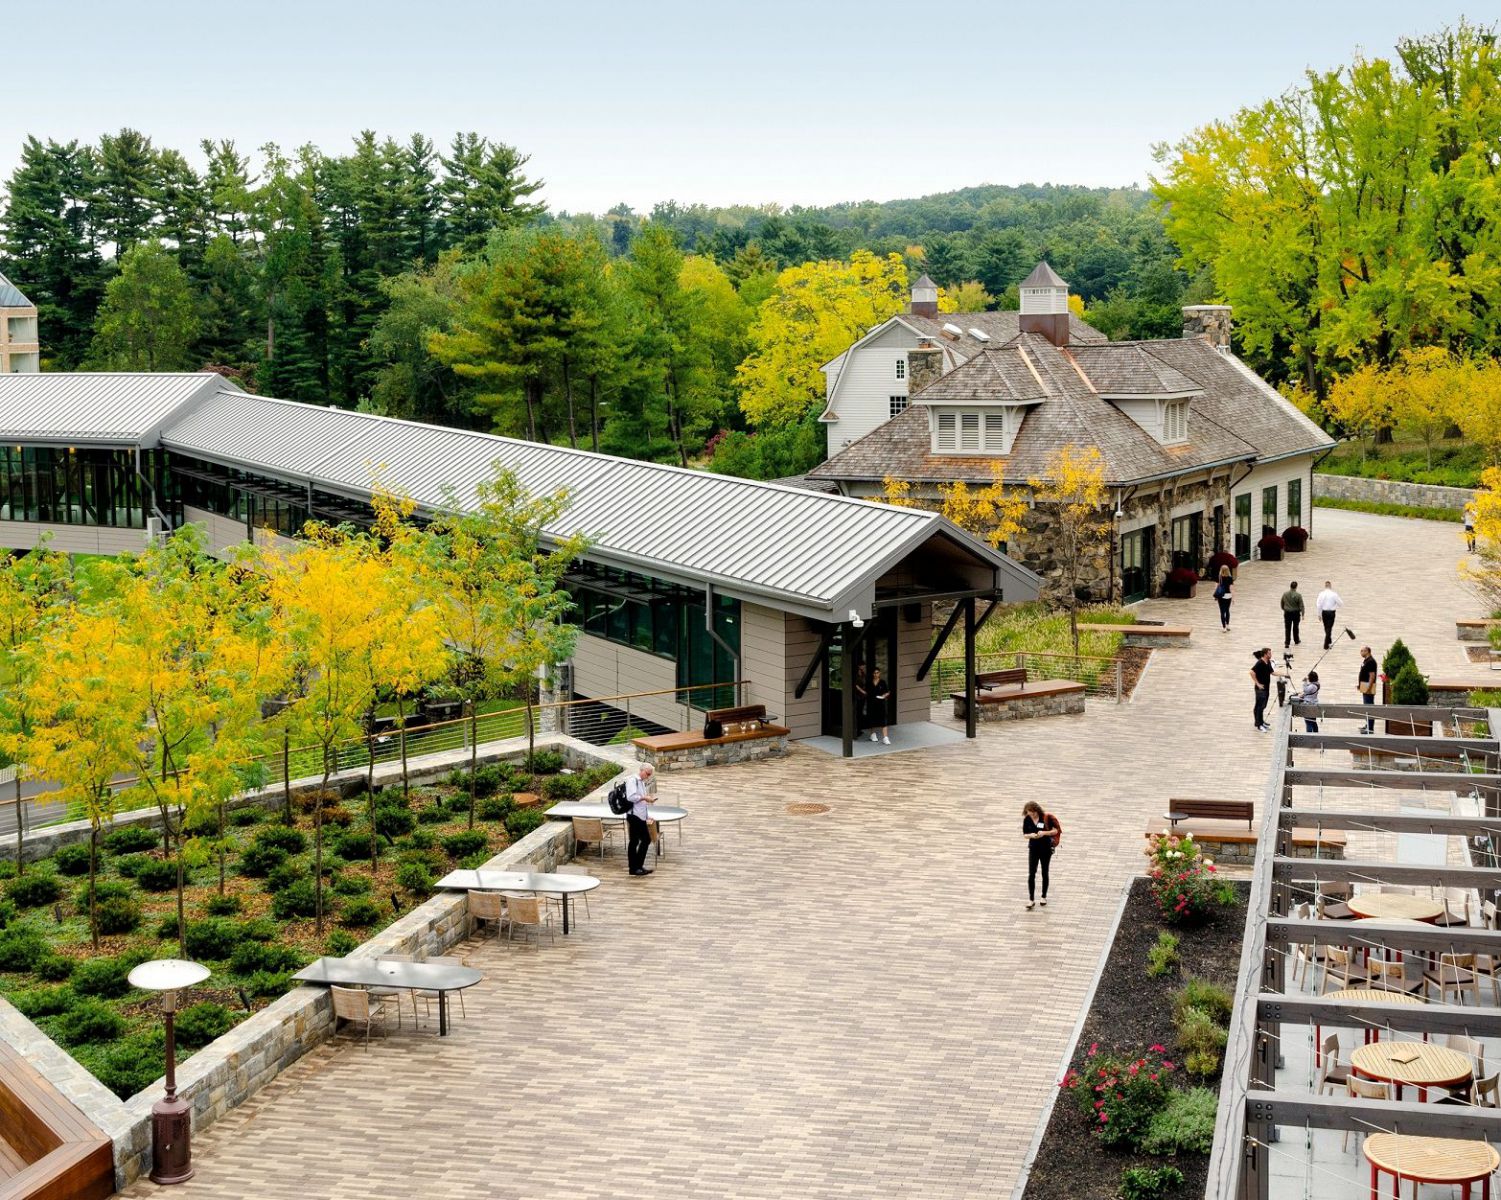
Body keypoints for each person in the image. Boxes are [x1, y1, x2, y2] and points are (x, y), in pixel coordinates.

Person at [1022, 801, 1059, 910]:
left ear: (1037, 810)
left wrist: (1044, 833)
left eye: (1033, 813)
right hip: (1033, 849)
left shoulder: (1045, 817)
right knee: (1031, 873)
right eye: (1029, 813)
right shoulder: (1027, 819)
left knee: (1044, 872)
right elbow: (1024, 834)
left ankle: (1043, 896)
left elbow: (1055, 831)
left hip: (1045, 849)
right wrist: (1031, 835)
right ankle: (1031, 899)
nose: (1032, 815)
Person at [625, 763, 656, 876]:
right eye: (647, 774)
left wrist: (647, 816)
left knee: (635, 841)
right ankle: (636, 867)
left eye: (649, 775)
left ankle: (635, 868)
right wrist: (644, 797)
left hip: (640, 815)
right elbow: (631, 797)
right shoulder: (633, 780)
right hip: (634, 816)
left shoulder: (641, 782)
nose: (648, 776)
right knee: (645, 840)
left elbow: (642, 803)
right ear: (642, 771)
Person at [1250, 647, 1274, 732]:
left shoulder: (1268, 662)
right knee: (1259, 707)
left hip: (1266, 688)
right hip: (1260, 689)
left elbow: (1272, 672)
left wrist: (1284, 674)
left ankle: (1261, 721)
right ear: (1265, 654)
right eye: (1269, 653)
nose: (1271, 655)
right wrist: (1257, 683)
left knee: (1263, 706)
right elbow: (1252, 672)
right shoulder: (1260, 663)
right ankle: (1259, 725)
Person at [1357, 646, 1379, 734]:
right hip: (1364, 686)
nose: (1361, 652)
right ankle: (1367, 725)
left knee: (1369, 707)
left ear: (1367, 651)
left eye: (1362, 651)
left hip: (1368, 688)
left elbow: (1372, 676)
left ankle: (1370, 729)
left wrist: (1368, 688)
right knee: (1366, 707)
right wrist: (1360, 685)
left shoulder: (1371, 662)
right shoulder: (1366, 660)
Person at [1315, 581, 1343, 650]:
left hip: (1324, 612)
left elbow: (1318, 605)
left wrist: (1319, 614)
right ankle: (1326, 644)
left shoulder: (1321, 594)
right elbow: (1341, 603)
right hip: (1331, 613)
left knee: (1326, 627)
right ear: (1330, 586)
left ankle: (1328, 641)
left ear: (1325, 586)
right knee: (1329, 628)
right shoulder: (1334, 594)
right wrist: (1334, 605)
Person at [867, 667, 891, 744]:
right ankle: (872, 734)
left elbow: (887, 692)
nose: (876, 674)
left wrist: (884, 695)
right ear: (872, 674)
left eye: (877, 673)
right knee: (872, 719)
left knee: (883, 720)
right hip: (872, 703)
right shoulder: (869, 682)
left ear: (879, 673)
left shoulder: (882, 682)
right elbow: (867, 692)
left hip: (881, 703)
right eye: (874, 673)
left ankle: (885, 737)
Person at [1280, 581, 1304, 649]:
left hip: (1287, 613)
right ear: (1296, 587)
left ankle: (1287, 643)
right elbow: (1301, 605)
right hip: (1296, 613)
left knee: (1287, 628)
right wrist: (1303, 614)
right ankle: (1296, 640)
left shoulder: (1285, 594)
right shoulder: (1298, 595)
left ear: (1290, 586)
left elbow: (1282, 602)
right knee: (1295, 627)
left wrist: (1284, 608)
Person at [1213, 565, 1233, 632]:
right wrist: (1233, 598)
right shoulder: (1230, 578)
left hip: (1221, 596)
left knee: (1222, 611)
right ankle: (1228, 625)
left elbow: (1216, 588)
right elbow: (1231, 589)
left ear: (1221, 570)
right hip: (1228, 596)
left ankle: (1224, 627)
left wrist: (1215, 596)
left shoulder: (1218, 578)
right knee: (1227, 610)